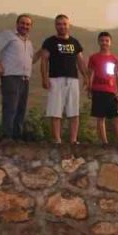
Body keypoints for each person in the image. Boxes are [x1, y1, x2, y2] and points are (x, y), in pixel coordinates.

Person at [37, 14, 87, 143]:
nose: (62, 26)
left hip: (73, 79)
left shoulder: (74, 42)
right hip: (55, 79)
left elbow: (80, 61)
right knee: (55, 111)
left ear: (68, 25)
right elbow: (44, 61)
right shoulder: (50, 42)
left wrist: (86, 77)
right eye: (59, 24)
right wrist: (44, 78)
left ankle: (73, 140)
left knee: (74, 111)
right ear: (55, 26)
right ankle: (57, 140)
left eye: (64, 24)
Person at [0, 14, 36, 140]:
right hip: (11, 77)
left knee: (21, 109)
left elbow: (30, 60)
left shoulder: (29, 43)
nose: (25, 26)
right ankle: (7, 137)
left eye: (28, 24)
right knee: (10, 107)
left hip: (25, 79)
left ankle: (17, 137)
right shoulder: (9, 35)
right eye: (23, 23)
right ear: (17, 24)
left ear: (31, 27)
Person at [86, 31, 118, 144]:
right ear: (98, 42)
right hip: (98, 90)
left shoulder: (114, 59)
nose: (104, 43)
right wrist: (89, 88)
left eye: (106, 41)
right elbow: (90, 74)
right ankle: (104, 142)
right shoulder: (93, 58)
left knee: (117, 116)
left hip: (111, 91)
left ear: (110, 42)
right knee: (100, 117)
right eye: (102, 40)